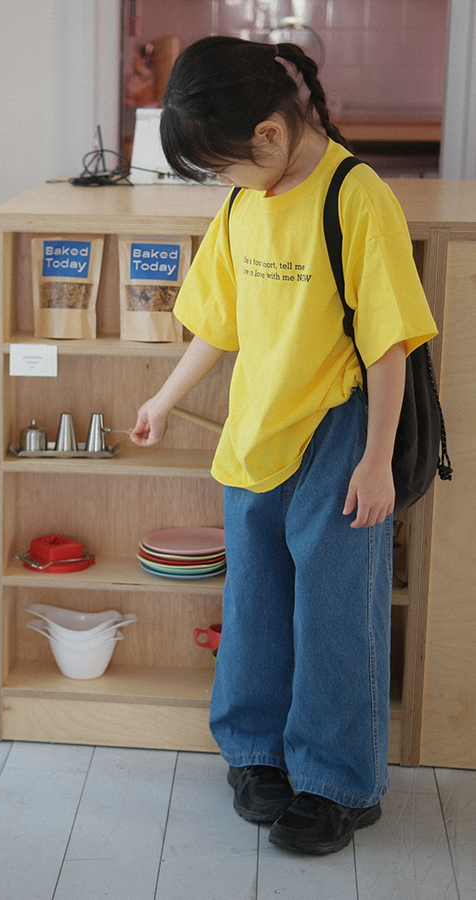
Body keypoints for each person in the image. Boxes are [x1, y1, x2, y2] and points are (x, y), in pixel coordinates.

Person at [130, 36, 437, 855]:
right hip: (256, 428)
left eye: (222, 166)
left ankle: (338, 783)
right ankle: (256, 752)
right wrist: (163, 398)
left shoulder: (355, 195)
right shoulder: (244, 201)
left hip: (338, 434)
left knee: (336, 611)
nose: (222, 183)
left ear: (269, 133)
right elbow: (219, 322)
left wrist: (377, 460)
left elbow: (388, 345)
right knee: (255, 602)